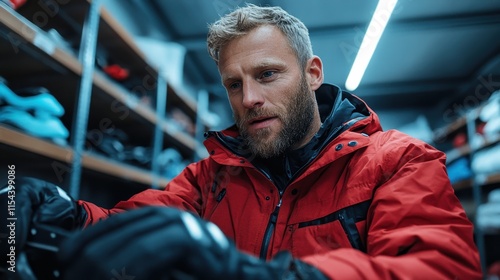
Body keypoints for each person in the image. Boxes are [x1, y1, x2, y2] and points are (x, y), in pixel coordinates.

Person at [0, 3, 482, 279]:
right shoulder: (210, 177)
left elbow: (440, 268)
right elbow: (137, 228)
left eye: (267, 74)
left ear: (312, 74)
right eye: (234, 84)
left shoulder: (398, 161)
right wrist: (65, 211)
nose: (249, 98)